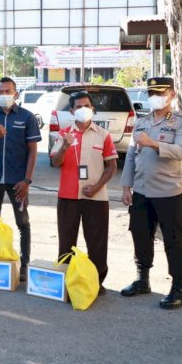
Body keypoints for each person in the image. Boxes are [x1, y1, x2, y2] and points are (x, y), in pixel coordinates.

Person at [120, 77, 182, 309]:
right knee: (140, 234)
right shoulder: (142, 122)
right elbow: (131, 156)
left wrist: (152, 143)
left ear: (171, 94)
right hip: (142, 190)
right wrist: (126, 186)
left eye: (160, 92)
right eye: (151, 92)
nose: (155, 97)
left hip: (169, 191)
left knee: (174, 240)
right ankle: (143, 279)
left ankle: (178, 287)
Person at [50, 91, 117, 293]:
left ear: (93, 109)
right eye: (78, 107)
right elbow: (55, 162)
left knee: (97, 241)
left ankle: (96, 281)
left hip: (95, 197)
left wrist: (96, 187)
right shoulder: (63, 134)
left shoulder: (103, 135)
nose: (83, 109)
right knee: (67, 240)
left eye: (87, 105)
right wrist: (64, 146)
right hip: (68, 196)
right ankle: (67, 279)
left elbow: (112, 166)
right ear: (71, 111)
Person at [0, 77, 41, 281]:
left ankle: (24, 264)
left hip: (18, 181)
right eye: (1, 91)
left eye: (8, 91)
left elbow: (33, 151)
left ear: (16, 94)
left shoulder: (27, 117)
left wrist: (27, 180)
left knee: (23, 222)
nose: (4, 95)